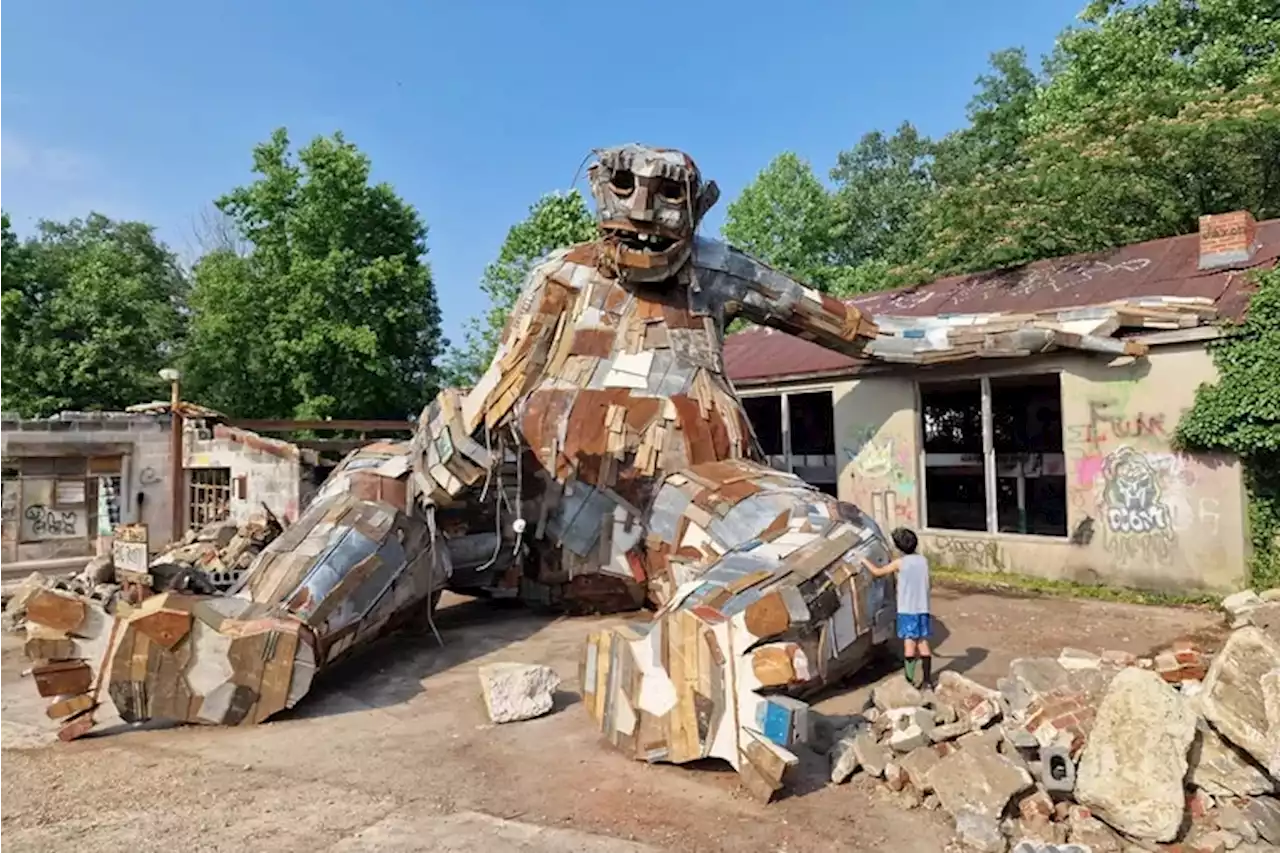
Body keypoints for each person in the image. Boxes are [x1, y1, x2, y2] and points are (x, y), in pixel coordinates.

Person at [863, 527, 932, 687]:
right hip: (923, 608)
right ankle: (927, 680)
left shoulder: (900, 563)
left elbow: (877, 572)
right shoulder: (923, 561)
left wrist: (863, 560)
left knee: (909, 644)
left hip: (907, 609)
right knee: (922, 642)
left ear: (899, 547)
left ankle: (909, 680)